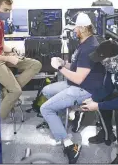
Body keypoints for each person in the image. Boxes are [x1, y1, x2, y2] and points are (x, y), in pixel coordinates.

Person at [40, 13, 105, 164]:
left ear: (82, 28)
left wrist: (60, 67)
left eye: (75, 28)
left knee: (45, 109)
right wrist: (63, 62)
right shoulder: (84, 43)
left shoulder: (90, 47)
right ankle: (61, 122)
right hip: (78, 84)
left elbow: (78, 77)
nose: (73, 31)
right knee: (46, 90)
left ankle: (70, 145)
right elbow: (76, 68)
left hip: (84, 89)